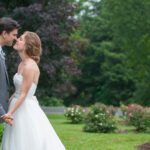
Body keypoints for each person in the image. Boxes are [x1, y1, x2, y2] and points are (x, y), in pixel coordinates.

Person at [2, 31, 66, 150]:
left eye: (21, 39)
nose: (17, 40)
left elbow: (24, 94)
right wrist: (6, 107)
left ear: (28, 46)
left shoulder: (30, 66)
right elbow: (17, 92)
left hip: (24, 108)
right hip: (17, 105)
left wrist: (10, 113)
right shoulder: (22, 64)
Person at [0, 17, 20, 125]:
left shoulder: (1, 52)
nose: (16, 38)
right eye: (14, 35)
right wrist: (2, 114)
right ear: (4, 33)